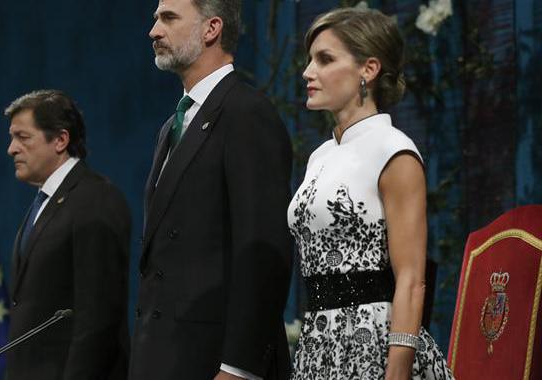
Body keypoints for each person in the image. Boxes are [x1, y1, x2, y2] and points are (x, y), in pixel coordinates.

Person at [129, 0, 294, 379]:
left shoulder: (246, 113)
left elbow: (264, 250)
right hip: (163, 357)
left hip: (213, 362)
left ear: (211, 29)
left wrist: (240, 366)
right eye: (156, 19)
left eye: (168, 18)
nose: (154, 31)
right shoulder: (173, 124)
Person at [288, 7, 454, 379]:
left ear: (369, 69)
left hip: (376, 348)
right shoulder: (320, 156)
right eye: (309, 60)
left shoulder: (394, 150)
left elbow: (412, 279)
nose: (307, 72)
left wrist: (396, 371)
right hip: (318, 346)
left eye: (325, 59)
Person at [4, 90, 131, 379]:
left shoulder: (95, 200)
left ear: (60, 140)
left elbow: (98, 318)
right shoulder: (46, 202)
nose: (11, 148)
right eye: (12, 138)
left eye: (23, 137)